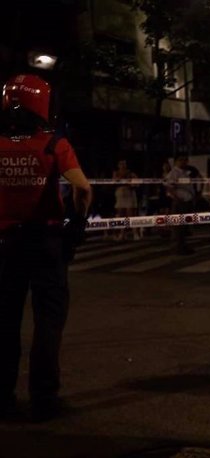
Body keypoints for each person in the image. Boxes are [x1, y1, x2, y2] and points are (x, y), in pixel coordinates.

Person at [0, 74, 92, 421]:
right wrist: (77, 226)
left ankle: (3, 398)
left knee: (5, 323)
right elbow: (82, 189)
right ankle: (44, 398)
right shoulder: (54, 144)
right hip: (46, 244)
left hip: (6, 245)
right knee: (48, 323)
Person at [166, 155, 195, 255]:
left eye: (185, 160)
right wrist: (177, 198)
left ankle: (183, 246)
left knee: (184, 227)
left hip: (187, 201)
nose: (183, 162)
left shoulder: (184, 172)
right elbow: (169, 186)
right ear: (175, 162)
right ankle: (177, 248)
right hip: (180, 202)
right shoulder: (174, 172)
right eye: (181, 160)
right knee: (178, 227)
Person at [112, 159, 141, 241]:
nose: (122, 165)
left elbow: (137, 183)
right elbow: (114, 181)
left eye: (124, 164)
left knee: (131, 214)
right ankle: (122, 234)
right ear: (118, 165)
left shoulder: (131, 173)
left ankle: (135, 233)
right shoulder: (116, 173)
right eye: (121, 164)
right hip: (120, 195)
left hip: (129, 194)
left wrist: (131, 183)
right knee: (121, 215)